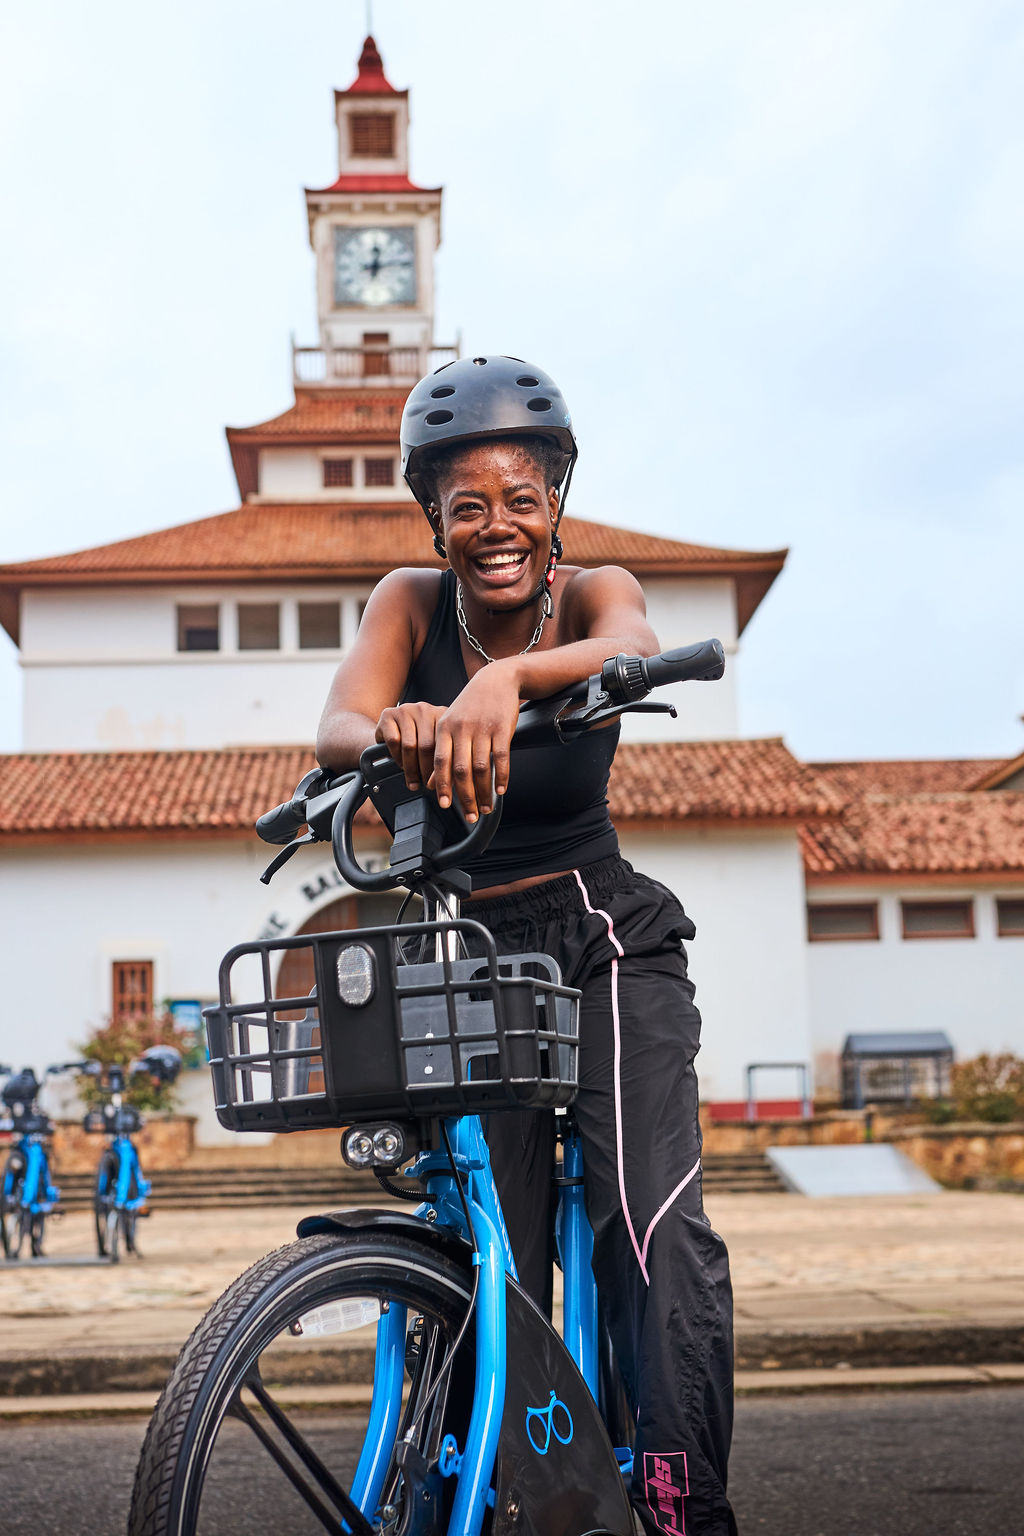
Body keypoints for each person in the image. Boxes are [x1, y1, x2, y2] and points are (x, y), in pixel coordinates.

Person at [316, 355, 737, 1536]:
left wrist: (505, 679)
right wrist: (396, 723)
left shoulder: (596, 584)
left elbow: (630, 642)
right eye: (465, 506)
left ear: (556, 499)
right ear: (432, 521)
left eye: (520, 497)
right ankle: (506, 1494)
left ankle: (676, 1503)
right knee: (483, 1254)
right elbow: (342, 719)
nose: (495, 526)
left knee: (644, 1221)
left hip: (603, 936)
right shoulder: (405, 598)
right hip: (475, 948)